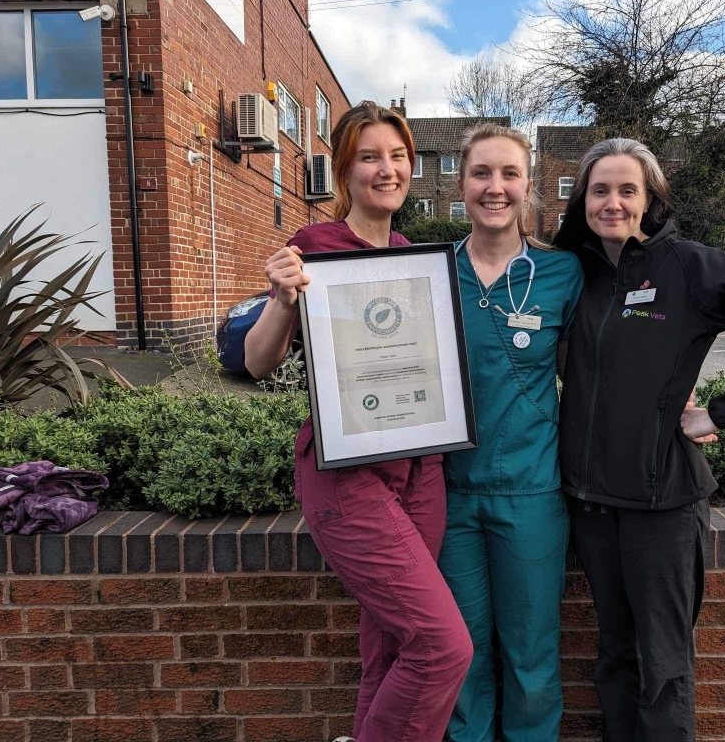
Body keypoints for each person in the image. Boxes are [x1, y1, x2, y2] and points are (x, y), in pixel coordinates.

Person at [554, 137, 725, 742]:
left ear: (650, 199)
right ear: (582, 200)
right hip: (590, 504)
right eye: (599, 189)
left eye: (627, 189)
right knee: (614, 658)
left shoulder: (690, 266)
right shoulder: (570, 273)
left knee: (662, 668)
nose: (612, 202)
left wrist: (719, 414)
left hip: (663, 504)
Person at [244, 101, 473, 742]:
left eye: (398, 156)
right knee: (443, 645)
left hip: (420, 468)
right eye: (370, 156)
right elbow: (258, 363)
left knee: (394, 647)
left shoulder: (410, 254)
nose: (388, 169)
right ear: (345, 170)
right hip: (346, 473)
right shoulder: (311, 249)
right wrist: (282, 297)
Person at [438, 124, 583, 742]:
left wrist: (677, 395)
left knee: (530, 655)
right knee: (460, 657)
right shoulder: (429, 271)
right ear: (462, 182)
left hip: (531, 491)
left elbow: (595, 374)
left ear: (528, 186)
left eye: (509, 175)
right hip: (445, 494)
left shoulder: (562, 275)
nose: (494, 188)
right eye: (481, 174)